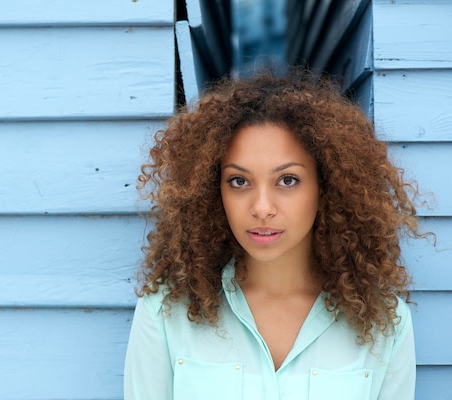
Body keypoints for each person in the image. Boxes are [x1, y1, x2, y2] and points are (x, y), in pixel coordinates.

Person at [124, 71, 429, 400]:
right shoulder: (165, 313)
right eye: (239, 181)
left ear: (325, 187)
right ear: (214, 192)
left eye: (287, 180)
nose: (262, 207)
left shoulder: (385, 323)